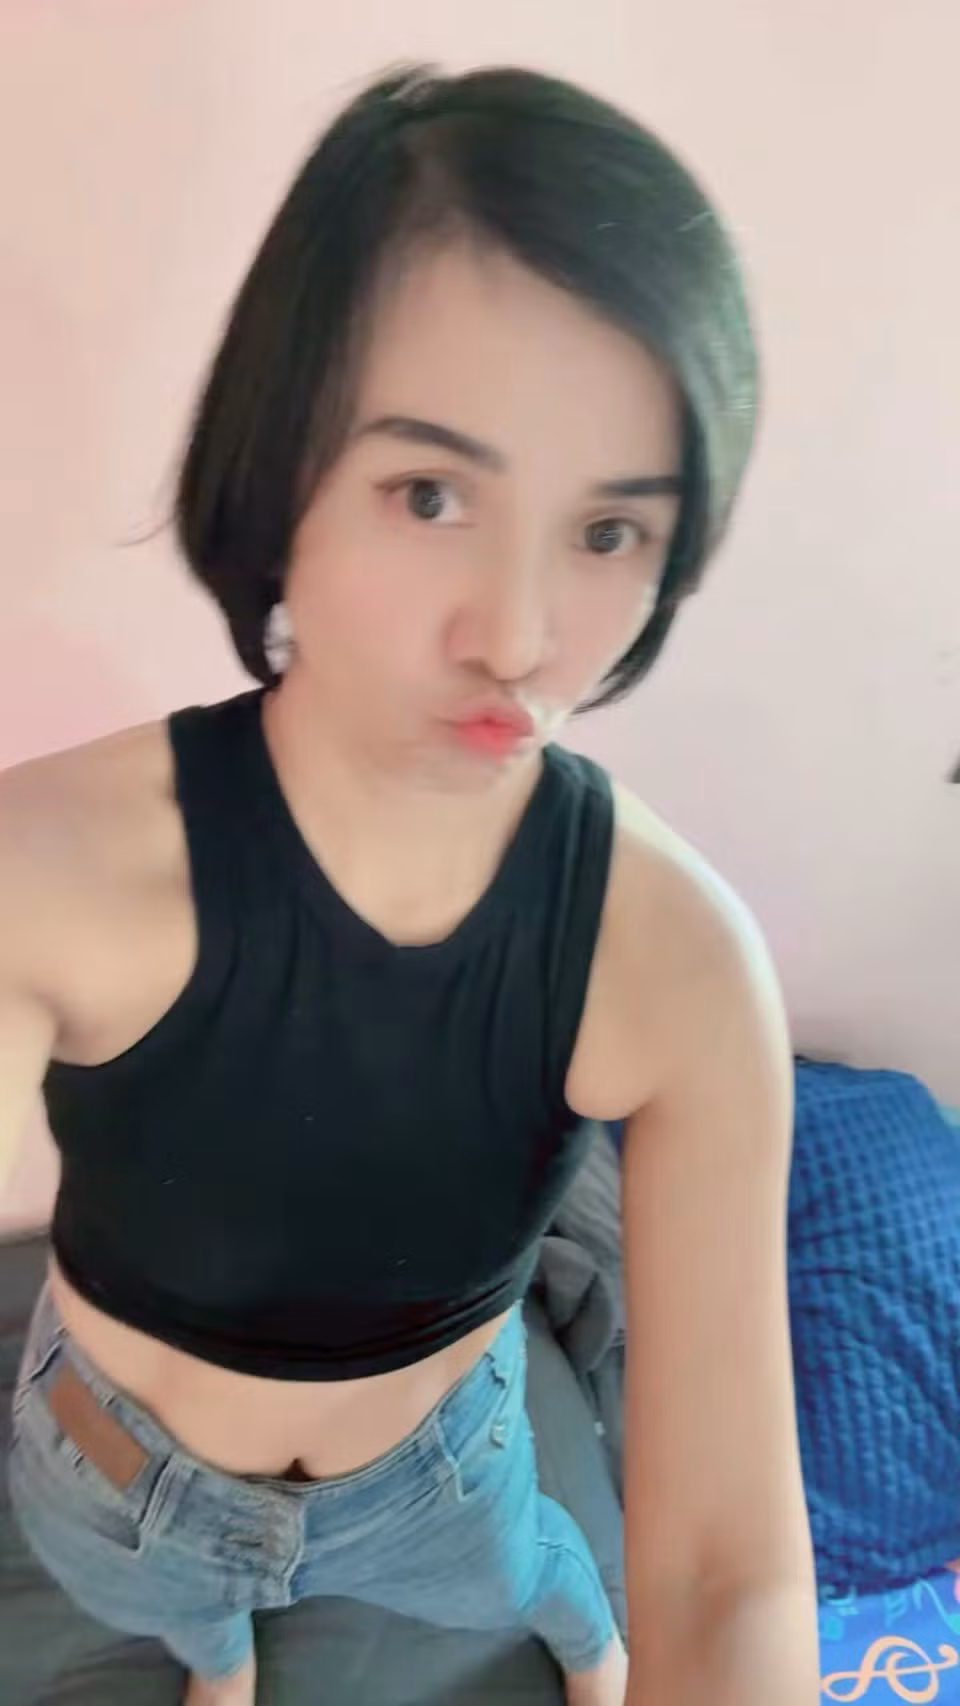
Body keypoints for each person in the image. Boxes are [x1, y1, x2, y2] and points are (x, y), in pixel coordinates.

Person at [0, 63, 819, 1706]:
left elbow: (726, 1564)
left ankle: (583, 1649)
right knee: (189, 1624)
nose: (517, 636)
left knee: (557, 1584)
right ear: (280, 473)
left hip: (445, 1475)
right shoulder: (49, 875)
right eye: (430, 493)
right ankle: (220, 1664)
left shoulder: (677, 963)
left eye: (608, 533)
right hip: (119, 1478)